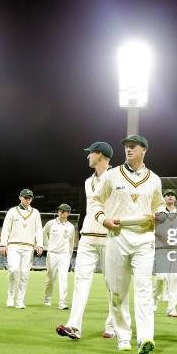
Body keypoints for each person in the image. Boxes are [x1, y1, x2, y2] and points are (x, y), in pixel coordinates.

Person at [90, 134, 165, 354]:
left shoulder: (154, 179)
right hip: (117, 235)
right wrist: (103, 219)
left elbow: (159, 205)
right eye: (126, 147)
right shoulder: (112, 176)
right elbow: (95, 201)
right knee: (117, 291)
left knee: (143, 289)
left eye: (133, 147)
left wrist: (160, 215)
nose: (128, 150)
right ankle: (123, 336)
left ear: (144, 150)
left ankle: (145, 338)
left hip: (144, 237)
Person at [56, 141, 124, 340]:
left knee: (113, 285)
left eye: (90, 153)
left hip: (110, 238)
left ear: (100, 155)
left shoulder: (118, 177)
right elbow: (93, 208)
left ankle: (112, 325)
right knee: (80, 281)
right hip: (88, 236)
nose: (87, 157)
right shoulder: (88, 181)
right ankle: (74, 326)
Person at [0, 189, 43, 309]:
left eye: (30, 198)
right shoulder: (12, 211)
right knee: (13, 270)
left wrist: (40, 244)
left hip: (28, 246)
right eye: (25, 197)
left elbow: (39, 229)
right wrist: (3, 244)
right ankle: (10, 296)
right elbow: (6, 228)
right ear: (20, 198)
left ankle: (20, 300)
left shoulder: (35, 212)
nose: (27, 200)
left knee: (24, 274)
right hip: (13, 245)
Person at [153, 189, 177, 317]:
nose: (170, 197)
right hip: (161, 248)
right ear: (164, 198)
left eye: (172, 195)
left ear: (175, 198)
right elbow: (153, 229)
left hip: (176, 248)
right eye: (167, 195)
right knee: (161, 277)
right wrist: (162, 236)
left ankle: (171, 308)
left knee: (175, 278)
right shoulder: (158, 212)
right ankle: (154, 300)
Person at [43, 203, 76, 310]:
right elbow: (43, 233)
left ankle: (63, 303)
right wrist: (47, 245)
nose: (61, 212)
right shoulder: (51, 223)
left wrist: (69, 255)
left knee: (63, 278)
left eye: (64, 211)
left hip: (64, 255)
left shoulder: (71, 227)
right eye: (60, 210)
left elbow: (71, 242)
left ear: (68, 213)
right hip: (52, 254)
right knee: (50, 279)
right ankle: (47, 299)